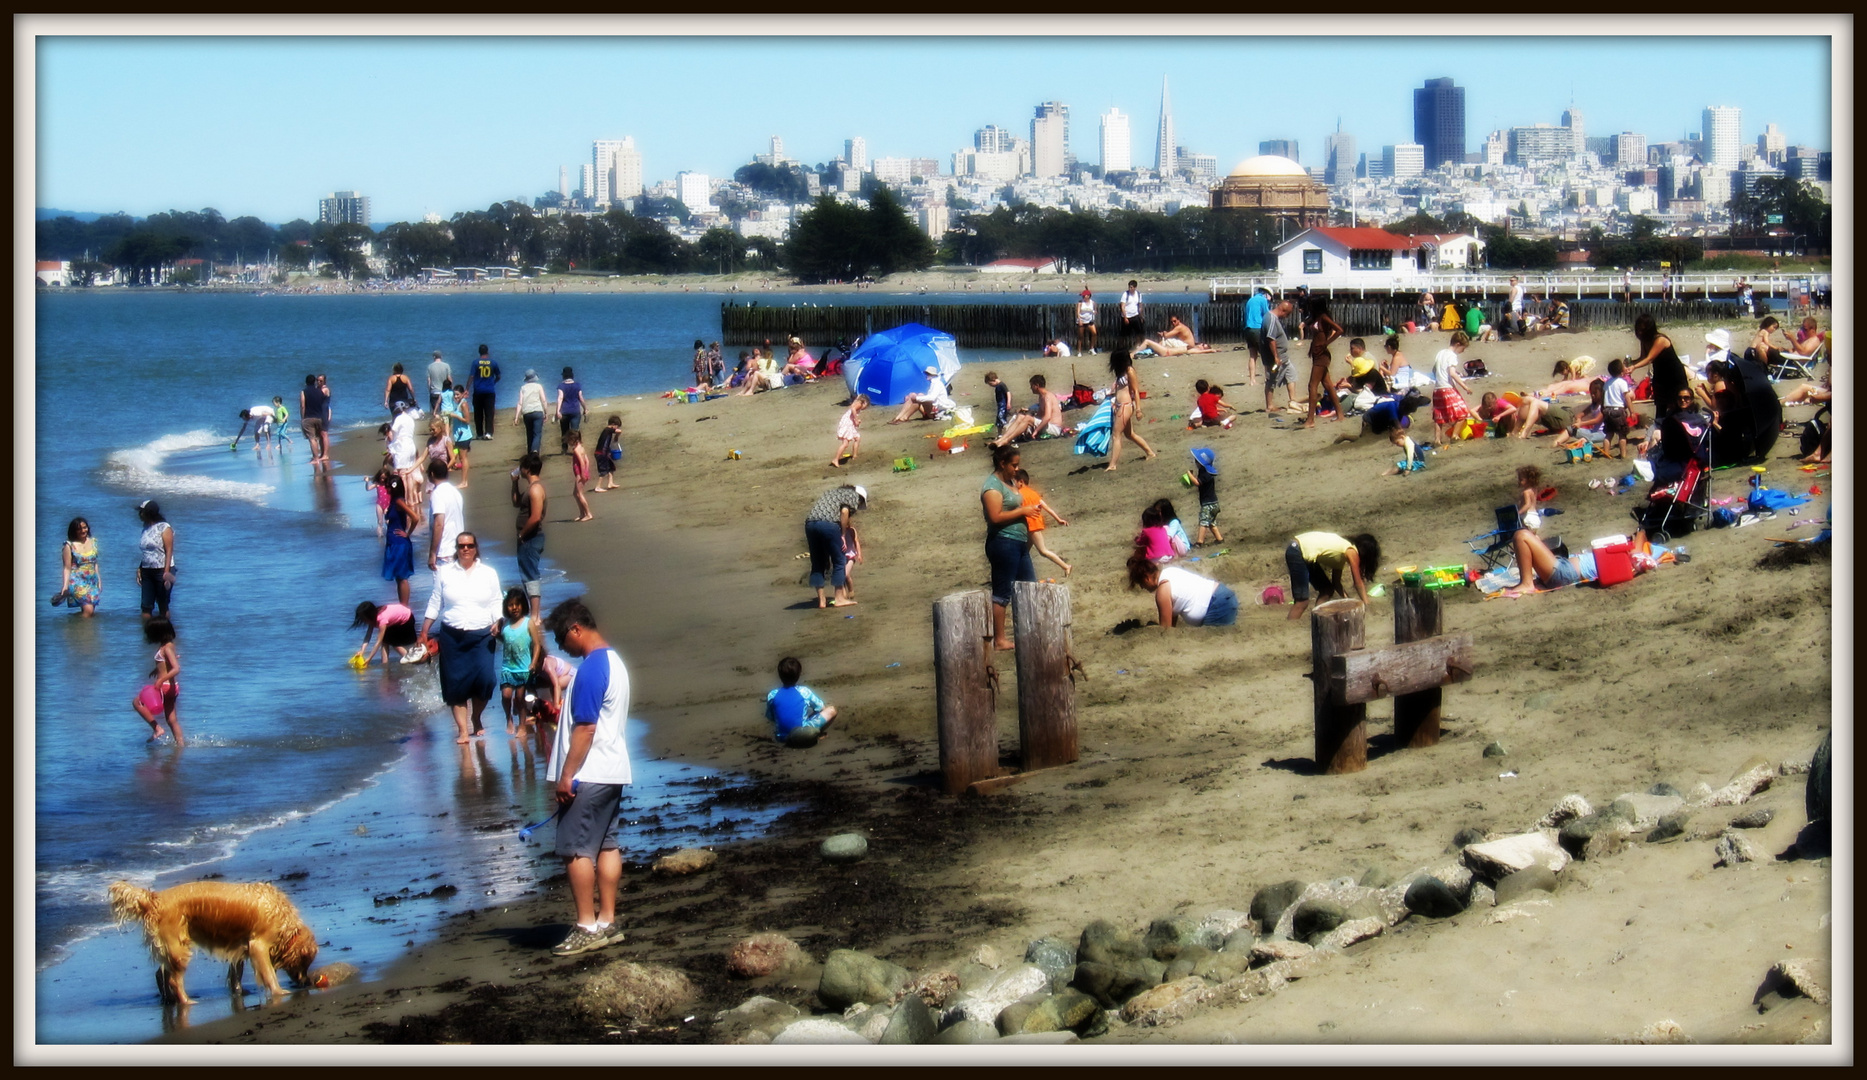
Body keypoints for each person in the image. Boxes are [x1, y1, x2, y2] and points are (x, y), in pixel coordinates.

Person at [542, 597, 633, 956]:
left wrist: (566, 776)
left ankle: (586, 925)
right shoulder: (615, 662)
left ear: (576, 630)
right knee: (606, 844)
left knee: (575, 848)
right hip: (612, 770)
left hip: (589, 773)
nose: (563, 648)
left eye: (563, 640)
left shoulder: (594, 667)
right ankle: (607, 921)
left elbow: (586, 728)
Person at [421, 530, 503, 744]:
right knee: (456, 685)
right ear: (456, 549)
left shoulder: (488, 573)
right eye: (461, 546)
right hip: (452, 636)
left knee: (486, 680)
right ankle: (463, 730)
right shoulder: (445, 572)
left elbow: (496, 600)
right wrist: (424, 630)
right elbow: (435, 601)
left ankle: (476, 716)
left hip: (482, 635)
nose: (465, 549)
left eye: (469, 545)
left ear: (476, 548)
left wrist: (498, 621)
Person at [981, 445, 1036, 650]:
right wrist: (1023, 511)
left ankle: (1030, 630)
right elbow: (995, 517)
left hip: (1019, 543)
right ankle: (1000, 639)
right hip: (1003, 542)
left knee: (1029, 588)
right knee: (1003, 592)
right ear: (1002, 463)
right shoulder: (992, 487)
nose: (1017, 468)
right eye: (1013, 465)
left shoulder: (1010, 482)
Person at [1125, 547, 1238, 629]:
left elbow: (1166, 630)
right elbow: (1171, 621)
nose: (1142, 587)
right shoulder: (1169, 572)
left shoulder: (1162, 591)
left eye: (1140, 583)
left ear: (1146, 578)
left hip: (1216, 605)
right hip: (1222, 595)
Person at [1284, 531, 1379, 621]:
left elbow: (1336, 583)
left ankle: (1317, 620)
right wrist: (1367, 605)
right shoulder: (1351, 551)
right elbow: (1358, 583)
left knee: (1327, 590)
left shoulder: (1342, 554)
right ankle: (1289, 627)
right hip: (1298, 550)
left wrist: (1348, 601)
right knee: (1302, 602)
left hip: (1300, 550)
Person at [804, 483, 865, 608]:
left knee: (817, 562)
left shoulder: (830, 492)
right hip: (829, 525)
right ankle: (839, 598)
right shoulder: (853, 495)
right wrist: (842, 534)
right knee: (839, 560)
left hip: (810, 524)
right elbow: (844, 511)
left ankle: (821, 600)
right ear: (860, 498)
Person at [497, 586, 545, 735]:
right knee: (506, 696)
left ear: (522, 605)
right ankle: (508, 719)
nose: (514, 608)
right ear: (506, 607)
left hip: (523, 669)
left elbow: (537, 644)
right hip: (507, 668)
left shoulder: (528, 623)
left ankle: (522, 725)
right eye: (510, 605)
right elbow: (502, 638)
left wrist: (534, 662)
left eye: (517, 604)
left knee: (519, 698)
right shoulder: (505, 624)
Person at [765, 656, 839, 748]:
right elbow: (821, 707)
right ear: (799, 675)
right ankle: (816, 734)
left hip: (781, 738)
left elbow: (770, 717)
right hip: (801, 734)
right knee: (832, 710)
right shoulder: (804, 692)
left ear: (780, 675)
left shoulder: (772, 694)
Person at [1625, 313, 1687, 421]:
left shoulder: (1660, 339)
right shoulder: (1645, 341)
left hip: (1674, 375)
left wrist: (1634, 367)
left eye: (1642, 330)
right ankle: (1660, 429)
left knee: (1677, 404)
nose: (1640, 332)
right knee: (1660, 406)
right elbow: (1643, 357)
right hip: (1660, 375)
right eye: (1638, 329)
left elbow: (1649, 358)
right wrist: (1631, 363)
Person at [131, 616, 183, 744]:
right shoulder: (170, 645)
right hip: (172, 687)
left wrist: (161, 680)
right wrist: (157, 669)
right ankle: (180, 745)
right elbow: (168, 663)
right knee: (172, 720)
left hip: (164, 686)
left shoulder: (166, 648)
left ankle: (157, 728)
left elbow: (176, 668)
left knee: (137, 702)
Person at [1105, 348, 1156, 472]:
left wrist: (1138, 409)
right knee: (1129, 434)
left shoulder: (1129, 371)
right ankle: (1150, 452)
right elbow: (1119, 390)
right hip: (1119, 405)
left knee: (1116, 435)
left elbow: (1135, 391)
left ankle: (1112, 464)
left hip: (1125, 406)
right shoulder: (1121, 372)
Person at [1014, 467, 1071, 576]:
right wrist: (1058, 519)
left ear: (1020, 482)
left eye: (1014, 481)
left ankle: (1065, 566)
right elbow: (1046, 507)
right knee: (1024, 551)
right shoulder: (1033, 493)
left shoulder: (1019, 494)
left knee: (1042, 550)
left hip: (1032, 526)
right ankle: (1019, 573)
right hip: (1035, 524)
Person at [514, 453, 547, 621]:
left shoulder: (535, 489)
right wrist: (514, 483)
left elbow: (535, 517)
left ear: (526, 469)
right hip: (528, 537)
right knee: (526, 573)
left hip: (531, 537)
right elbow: (516, 502)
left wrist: (522, 534)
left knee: (530, 574)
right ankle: (534, 613)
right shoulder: (530, 488)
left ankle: (535, 615)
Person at [381, 472, 421, 608]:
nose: (386, 489)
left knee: (402, 577)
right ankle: (403, 606)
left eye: (388, 487)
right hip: (393, 543)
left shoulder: (398, 501)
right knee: (399, 578)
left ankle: (405, 607)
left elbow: (415, 517)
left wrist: (408, 533)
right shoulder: (394, 501)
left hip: (399, 543)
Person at [1429, 332, 1476, 447]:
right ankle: (1455, 436)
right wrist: (1465, 387)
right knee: (1463, 412)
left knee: (1439, 416)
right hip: (1447, 389)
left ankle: (1437, 440)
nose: (1462, 351)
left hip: (1437, 389)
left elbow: (1434, 370)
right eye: (1462, 348)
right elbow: (1452, 373)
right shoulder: (1452, 356)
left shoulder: (1440, 353)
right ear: (1458, 344)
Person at [993, 375, 1064, 447]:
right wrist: (1027, 415)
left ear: (1037, 385)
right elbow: (1039, 415)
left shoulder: (1047, 397)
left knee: (1027, 418)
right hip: (1047, 426)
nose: (1031, 388)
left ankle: (1007, 440)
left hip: (1054, 428)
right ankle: (1001, 440)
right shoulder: (1041, 396)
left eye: (1032, 385)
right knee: (1021, 416)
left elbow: (1047, 417)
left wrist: (1036, 430)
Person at [135, 500, 176, 622]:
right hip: (147, 570)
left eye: (141, 512)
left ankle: (165, 634)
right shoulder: (146, 528)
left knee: (162, 604)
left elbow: (169, 551)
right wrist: (140, 569)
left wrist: (167, 572)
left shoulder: (164, 527)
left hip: (161, 570)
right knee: (146, 605)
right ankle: (148, 633)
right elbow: (146, 552)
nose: (140, 515)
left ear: (148, 513)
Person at [1509, 529, 1583, 592]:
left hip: (1563, 572)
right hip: (1564, 568)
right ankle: (1528, 581)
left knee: (1521, 535)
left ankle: (1527, 583)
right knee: (1534, 538)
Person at [352, 599, 422, 666]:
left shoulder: (382, 619)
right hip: (395, 621)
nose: (363, 620)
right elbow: (368, 635)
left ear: (369, 616)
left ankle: (410, 658)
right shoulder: (372, 619)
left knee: (393, 642)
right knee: (385, 640)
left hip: (407, 619)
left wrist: (369, 658)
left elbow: (378, 642)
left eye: (363, 618)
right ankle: (384, 664)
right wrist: (362, 650)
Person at [55, 516, 101, 616]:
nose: (83, 530)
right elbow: (67, 568)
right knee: (88, 610)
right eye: (79, 529)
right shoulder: (69, 545)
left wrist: (99, 581)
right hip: (77, 580)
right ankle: (79, 628)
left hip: (92, 581)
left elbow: (95, 563)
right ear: (74, 531)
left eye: (85, 527)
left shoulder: (93, 542)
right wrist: (65, 586)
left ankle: (78, 627)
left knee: (90, 611)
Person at [426, 457, 463, 574]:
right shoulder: (455, 492)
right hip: (458, 547)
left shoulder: (437, 494)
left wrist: (432, 553)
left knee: (441, 590)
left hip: (444, 550)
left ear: (431, 474)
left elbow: (439, 523)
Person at [1262, 298, 1297, 416]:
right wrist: (1276, 357)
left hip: (1284, 357)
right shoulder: (1271, 319)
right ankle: (1269, 405)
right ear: (1283, 311)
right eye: (1287, 314)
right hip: (1276, 358)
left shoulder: (1272, 318)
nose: (1286, 317)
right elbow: (1271, 339)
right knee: (1272, 379)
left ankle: (1293, 400)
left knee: (1291, 374)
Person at [440, 379, 472, 489]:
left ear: (462, 394)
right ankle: (463, 480)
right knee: (460, 457)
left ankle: (464, 481)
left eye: (458, 395)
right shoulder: (458, 404)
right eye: (455, 395)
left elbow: (467, 420)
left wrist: (456, 416)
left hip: (464, 435)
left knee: (463, 458)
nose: (456, 397)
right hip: (459, 435)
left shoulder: (463, 405)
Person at [1601, 359, 1636, 460]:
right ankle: (1623, 455)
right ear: (1621, 372)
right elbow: (1627, 397)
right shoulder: (1622, 382)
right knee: (1622, 434)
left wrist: (1603, 408)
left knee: (1608, 434)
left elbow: (1603, 396)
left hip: (1607, 410)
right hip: (1618, 411)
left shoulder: (1607, 383)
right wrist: (1632, 411)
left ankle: (1606, 453)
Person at [1190, 448, 1222, 546]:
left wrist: (1189, 474)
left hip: (1208, 504)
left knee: (1203, 522)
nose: (1195, 462)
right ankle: (1219, 539)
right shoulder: (1206, 472)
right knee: (1212, 522)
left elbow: (1197, 482)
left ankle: (1200, 542)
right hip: (1214, 503)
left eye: (1197, 460)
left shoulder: (1205, 473)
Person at [1138, 315, 1214, 356]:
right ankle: (1151, 349)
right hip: (1185, 345)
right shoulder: (1180, 327)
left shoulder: (1179, 327)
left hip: (1186, 346)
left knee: (1166, 340)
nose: (1173, 323)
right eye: (1172, 322)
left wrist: (1164, 333)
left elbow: (1167, 336)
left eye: (1174, 321)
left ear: (1178, 320)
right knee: (1167, 341)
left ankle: (1149, 349)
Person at [300, 374, 332, 467]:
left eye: (321, 381)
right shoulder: (318, 391)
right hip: (320, 416)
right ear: (314, 381)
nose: (319, 382)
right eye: (317, 380)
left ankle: (319, 457)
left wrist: (302, 418)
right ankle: (322, 455)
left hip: (320, 415)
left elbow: (303, 405)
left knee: (317, 436)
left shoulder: (324, 390)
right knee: (321, 435)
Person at [553, 366, 586, 456]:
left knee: (564, 430)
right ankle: (576, 448)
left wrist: (557, 411)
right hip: (575, 411)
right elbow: (581, 398)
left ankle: (564, 449)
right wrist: (585, 408)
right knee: (575, 431)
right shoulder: (577, 385)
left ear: (564, 376)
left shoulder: (561, 386)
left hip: (565, 411)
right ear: (572, 375)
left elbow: (560, 398)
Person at [1242, 286, 1271, 386]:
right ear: (1267, 294)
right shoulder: (1263, 300)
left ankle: (1252, 381)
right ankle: (1268, 379)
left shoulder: (1250, 300)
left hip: (1248, 329)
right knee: (1266, 354)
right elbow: (1268, 316)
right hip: (1257, 328)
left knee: (1252, 355)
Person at [471, 344, 501, 440]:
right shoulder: (493, 362)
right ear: (487, 352)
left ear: (479, 352)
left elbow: (471, 376)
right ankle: (489, 433)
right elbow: (499, 376)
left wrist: (467, 388)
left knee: (478, 413)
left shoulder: (475, 363)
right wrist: (493, 382)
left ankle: (479, 433)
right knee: (489, 413)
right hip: (489, 391)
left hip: (478, 391)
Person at [515, 370, 548, 457]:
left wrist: (516, 417)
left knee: (529, 434)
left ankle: (530, 454)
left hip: (527, 413)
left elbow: (520, 403)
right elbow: (543, 400)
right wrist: (546, 412)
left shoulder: (523, 388)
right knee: (537, 433)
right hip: (538, 411)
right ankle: (535, 451)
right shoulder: (539, 386)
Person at [830, 394, 868, 468]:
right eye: (865, 407)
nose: (864, 409)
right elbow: (853, 409)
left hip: (849, 423)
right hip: (847, 424)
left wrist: (856, 420)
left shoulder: (857, 402)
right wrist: (856, 420)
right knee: (845, 444)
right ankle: (836, 459)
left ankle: (855, 456)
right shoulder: (859, 404)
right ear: (864, 402)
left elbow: (852, 413)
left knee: (857, 438)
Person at [567, 430, 594, 522]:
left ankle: (588, 513)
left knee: (579, 494)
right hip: (582, 472)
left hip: (579, 474)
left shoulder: (576, 450)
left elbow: (582, 462)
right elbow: (587, 461)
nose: (569, 443)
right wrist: (587, 471)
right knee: (575, 493)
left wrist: (582, 474)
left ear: (573, 440)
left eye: (569, 441)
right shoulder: (581, 448)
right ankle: (582, 513)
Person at [592, 415, 622, 493]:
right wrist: (616, 437)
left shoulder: (608, 431)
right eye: (616, 426)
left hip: (605, 453)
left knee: (611, 467)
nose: (616, 428)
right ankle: (598, 487)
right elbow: (619, 431)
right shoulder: (607, 429)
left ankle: (610, 483)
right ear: (613, 424)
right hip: (601, 453)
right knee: (603, 470)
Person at [426, 350, 452, 416]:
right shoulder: (446, 366)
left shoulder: (430, 366)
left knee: (435, 414)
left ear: (434, 357)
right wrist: (451, 389)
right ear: (441, 357)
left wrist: (430, 391)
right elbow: (449, 379)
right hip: (444, 392)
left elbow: (429, 381)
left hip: (434, 392)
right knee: (444, 414)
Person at [1075, 288, 1098, 355]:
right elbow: (1078, 312)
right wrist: (1079, 320)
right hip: (1082, 321)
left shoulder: (1093, 303)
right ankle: (1079, 351)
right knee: (1080, 336)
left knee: (1094, 333)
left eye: (1085, 295)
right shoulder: (1080, 303)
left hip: (1089, 321)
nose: (1084, 296)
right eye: (1083, 295)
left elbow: (1095, 310)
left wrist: (1094, 312)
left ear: (1088, 296)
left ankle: (1091, 348)